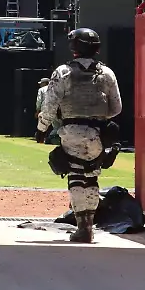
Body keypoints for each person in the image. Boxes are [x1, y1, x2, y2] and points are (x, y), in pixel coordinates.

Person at [36, 27, 122, 244]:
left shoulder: (63, 72)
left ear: (74, 47)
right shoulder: (107, 73)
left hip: (72, 131)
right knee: (92, 176)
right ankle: (89, 227)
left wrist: (42, 128)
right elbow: (116, 108)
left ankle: (82, 227)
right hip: (99, 133)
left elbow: (49, 105)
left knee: (75, 175)